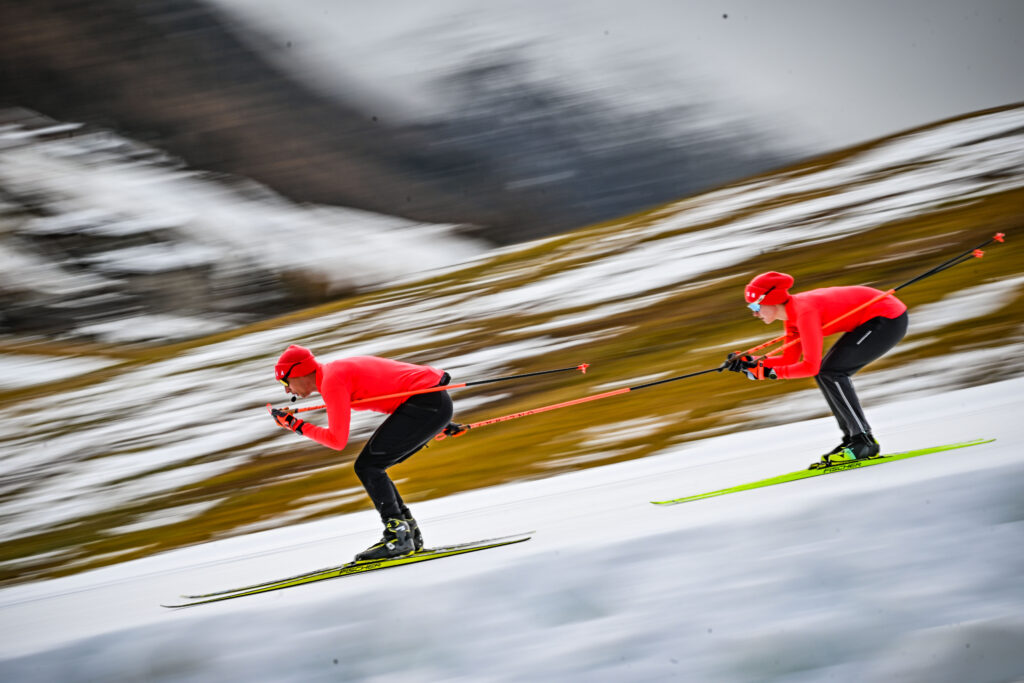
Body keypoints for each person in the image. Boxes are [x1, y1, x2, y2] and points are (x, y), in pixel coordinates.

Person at [269, 345, 463, 561]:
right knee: (373, 465)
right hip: (430, 404)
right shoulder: (334, 373)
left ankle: (399, 536)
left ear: (299, 372)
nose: (287, 390)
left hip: (427, 405)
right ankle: (407, 532)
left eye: (285, 382)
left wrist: (295, 425)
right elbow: (392, 388)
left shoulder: (332, 381)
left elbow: (337, 441)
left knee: (368, 467)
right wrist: (437, 423)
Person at [724, 271, 909, 467]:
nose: (754, 313)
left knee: (832, 372)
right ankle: (853, 439)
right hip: (869, 319)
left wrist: (769, 373)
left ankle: (863, 441)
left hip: (887, 318)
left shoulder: (805, 313)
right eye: (751, 307)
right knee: (827, 372)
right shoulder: (791, 317)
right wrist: (751, 362)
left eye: (756, 306)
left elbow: (810, 367)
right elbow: (789, 358)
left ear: (772, 301)